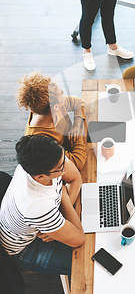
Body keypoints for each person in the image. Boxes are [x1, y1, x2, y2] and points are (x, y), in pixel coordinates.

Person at [0, 135, 85, 275]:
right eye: (61, 167)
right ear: (40, 176)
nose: (65, 166)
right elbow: (79, 239)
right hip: (24, 249)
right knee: (88, 264)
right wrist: (64, 198)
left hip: (36, 220)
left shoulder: (48, 159)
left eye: (63, 157)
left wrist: (56, 226)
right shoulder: (36, 205)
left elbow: (76, 178)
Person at [17, 71, 87, 171]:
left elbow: (79, 103)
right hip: (61, 164)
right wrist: (79, 135)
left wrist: (77, 124)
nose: (64, 94)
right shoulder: (40, 141)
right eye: (61, 93)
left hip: (71, 145)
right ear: (56, 107)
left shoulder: (47, 107)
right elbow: (77, 163)